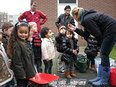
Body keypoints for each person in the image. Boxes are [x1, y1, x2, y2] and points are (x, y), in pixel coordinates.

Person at [71, 7, 116, 86]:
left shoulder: (87, 19)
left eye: (73, 17)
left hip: (111, 31)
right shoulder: (86, 18)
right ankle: (99, 77)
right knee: (103, 54)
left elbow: (97, 34)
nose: (74, 19)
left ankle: (104, 80)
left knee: (104, 54)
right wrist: (75, 29)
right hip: (109, 31)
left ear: (76, 15)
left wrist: (99, 46)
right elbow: (86, 34)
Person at [7, 21, 36, 87]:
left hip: (27, 72)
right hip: (22, 75)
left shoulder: (25, 42)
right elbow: (17, 61)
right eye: (21, 32)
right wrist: (22, 75)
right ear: (16, 32)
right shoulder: (17, 44)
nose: (23, 34)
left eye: (26, 32)